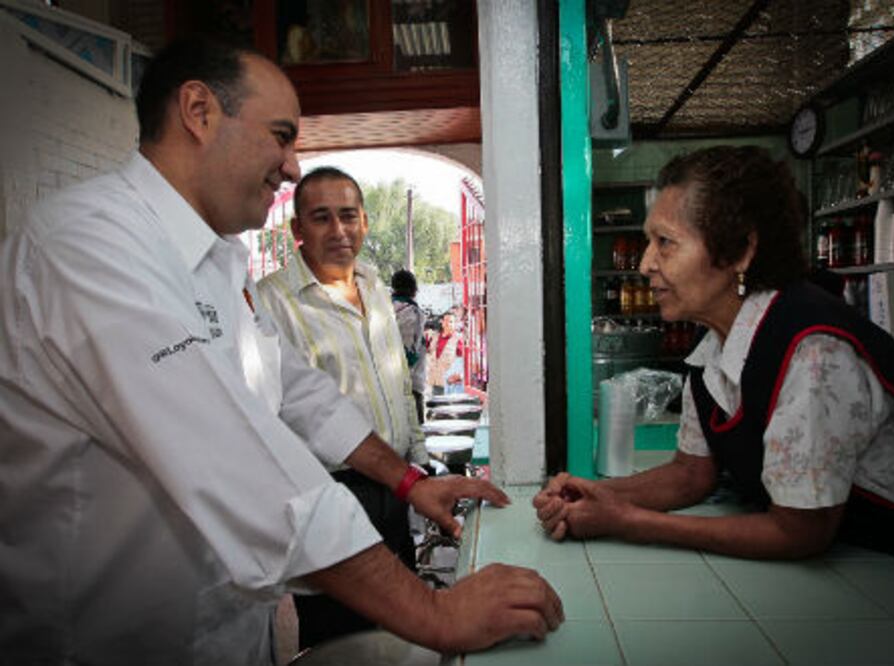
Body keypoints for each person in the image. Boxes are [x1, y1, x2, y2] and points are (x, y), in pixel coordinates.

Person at [0, 37, 562, 665]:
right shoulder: (89, 244)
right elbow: (223, 449)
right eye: (281, 135)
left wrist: (407, 482)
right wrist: (433, 611)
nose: (293, 166)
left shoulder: (218, 260)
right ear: (199, 111)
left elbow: (297, 392)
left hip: (228, 632)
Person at [534, 145, 894, 587]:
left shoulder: (812, 352)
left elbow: (800, 531)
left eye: (664, 242)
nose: (646, 263)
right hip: (853, 568)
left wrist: (625, 520)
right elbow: (691, 474)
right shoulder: (715, 348)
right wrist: (592, 494)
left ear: (739, 251)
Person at [256, 168, 429, 647]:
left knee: (403, 628)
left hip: (394, 483)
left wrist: (416, 455)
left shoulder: (374, 288)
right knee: (345, 641)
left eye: (348, 216)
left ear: (365, 223)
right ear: (297, 231)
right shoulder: (272, 303)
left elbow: (397, 382)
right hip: (330, 496)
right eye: (321, 218)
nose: (338, 231)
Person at [391, 268, 428, 423]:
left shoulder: (382, 308)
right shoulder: (413, 313)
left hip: (387, 387)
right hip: (410, 386)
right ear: (414, 290)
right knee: (415, 437)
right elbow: (411, 354)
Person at [427, 310, 464, 395]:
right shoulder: (434, 337)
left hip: (450, 385)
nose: (448, 324)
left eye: (451, 322)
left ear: (455, 324)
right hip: (435, 382)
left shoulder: (458, 340)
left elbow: (464, 363)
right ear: (442, 322)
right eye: (446, 321)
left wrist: (460, 376)